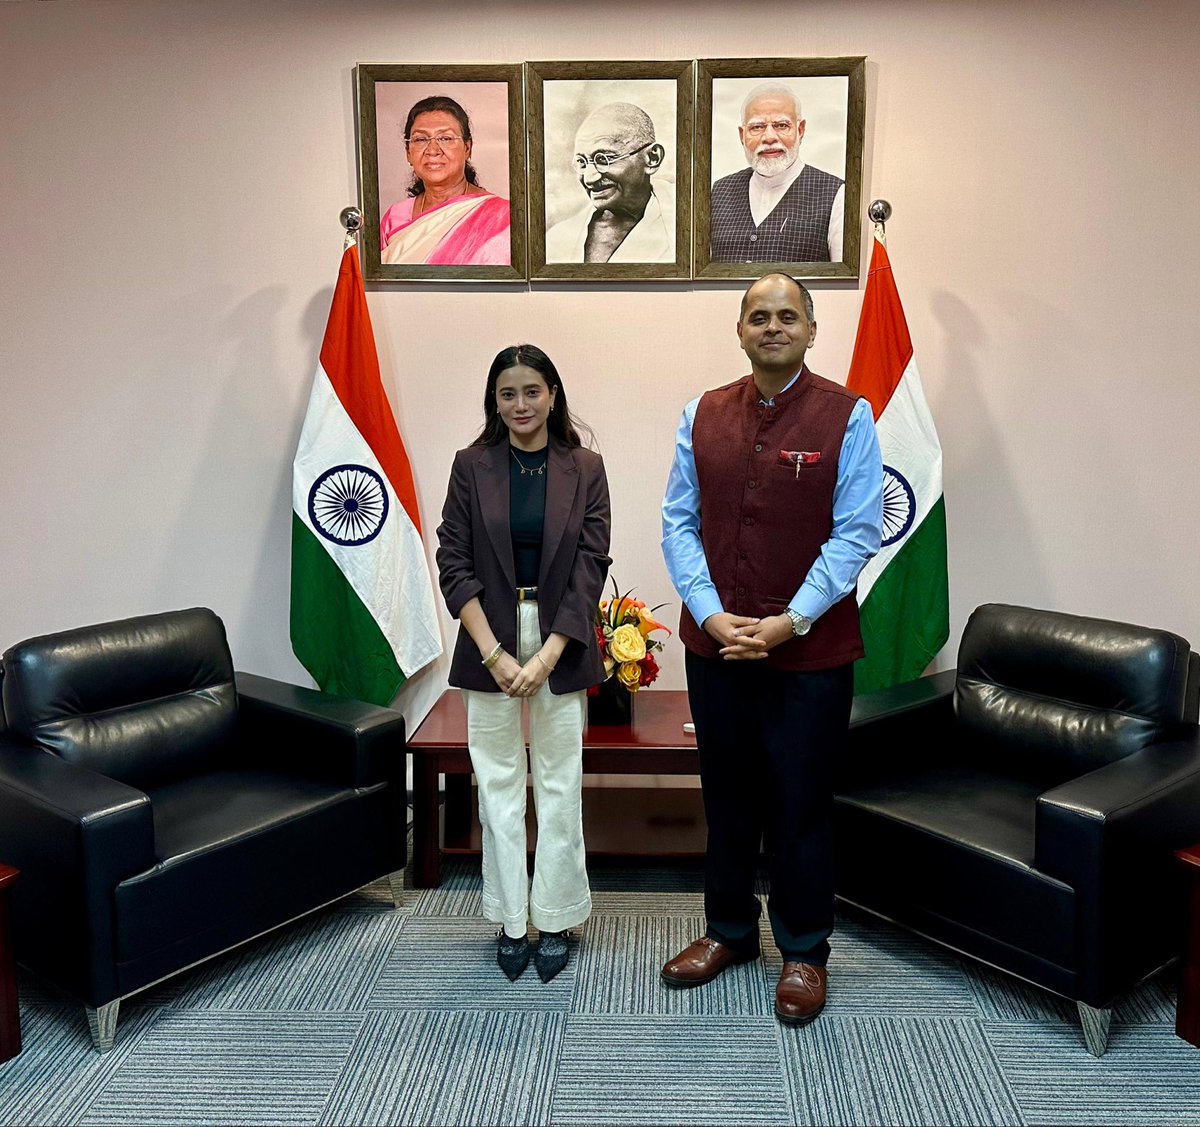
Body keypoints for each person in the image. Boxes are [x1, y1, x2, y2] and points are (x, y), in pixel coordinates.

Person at [659, 273, 883, 1025]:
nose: (774, 326)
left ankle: (805, 950)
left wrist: (793, 620)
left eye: (789, 315)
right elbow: (678, 523)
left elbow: (856, 532)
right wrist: (710, 613)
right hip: (716, 647)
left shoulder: (848, 416)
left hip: (809, 656)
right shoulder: (700, 414)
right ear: (741, 330)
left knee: (801, 805)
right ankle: (728, 932)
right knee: (726, 799)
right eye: (759, 316)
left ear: (812, 330)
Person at [436, 344, 612, 983]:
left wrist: (550, 653)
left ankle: (556, 917)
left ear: (553, 395)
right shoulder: (471, 465)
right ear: (495, 400)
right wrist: (493, 653)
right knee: (499, 787)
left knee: (561, 785)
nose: (520, 405)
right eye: (507, 394)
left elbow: (592, 565)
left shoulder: (585, 467)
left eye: (532, 391)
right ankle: (512, 920)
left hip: (561, 637)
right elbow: (453, 560)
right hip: (489, 634)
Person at [709, 83, 844, 264]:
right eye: (757, 127)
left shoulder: (835, 194)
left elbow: (844, 276)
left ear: (800, 130)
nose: (769, 137)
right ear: (742, 135)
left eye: (781, 125)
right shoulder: (718, 192)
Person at [379, 95, 511, 266]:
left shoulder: (504, 216)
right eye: (420, 139)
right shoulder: (394, 218)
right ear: (408, 153)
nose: (433, 150)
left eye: (445, 138)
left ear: (467, 148)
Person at [545, 101, 674, 264]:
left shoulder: (685, 216)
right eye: (582, 162)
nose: (589, 178)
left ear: (652, 158)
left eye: (604, 159)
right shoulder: (559, 239)